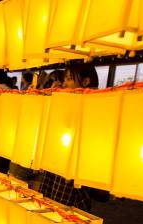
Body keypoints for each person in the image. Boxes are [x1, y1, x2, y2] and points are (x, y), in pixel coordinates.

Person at [39, 63, 100, 211]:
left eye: (68, 79)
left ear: (85, 82)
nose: (64, 83)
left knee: (65, 211)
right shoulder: (68, 102)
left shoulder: (94, 106)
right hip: (58, 164)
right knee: (49, 206)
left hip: (71, 172)